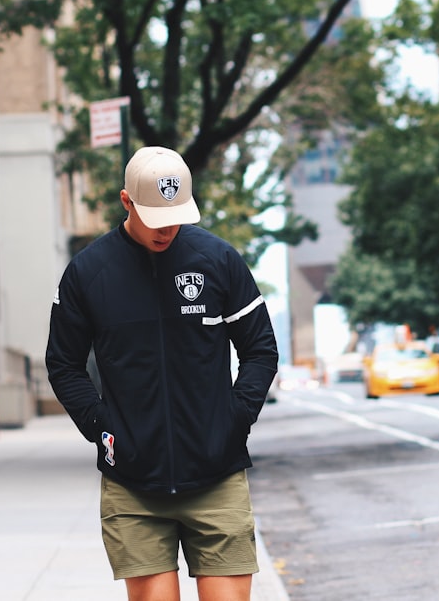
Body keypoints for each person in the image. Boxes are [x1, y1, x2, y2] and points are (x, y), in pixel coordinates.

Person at [45, 145, 279, 601]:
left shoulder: (219, 260)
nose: (166, 228)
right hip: (133, 486)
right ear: (126, 202)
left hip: (217, 476)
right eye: (153, 216)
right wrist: (103, 430)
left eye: (175, 215)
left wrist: (233, 421)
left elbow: (260, 350)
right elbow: (63, 364)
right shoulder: (88, 273)